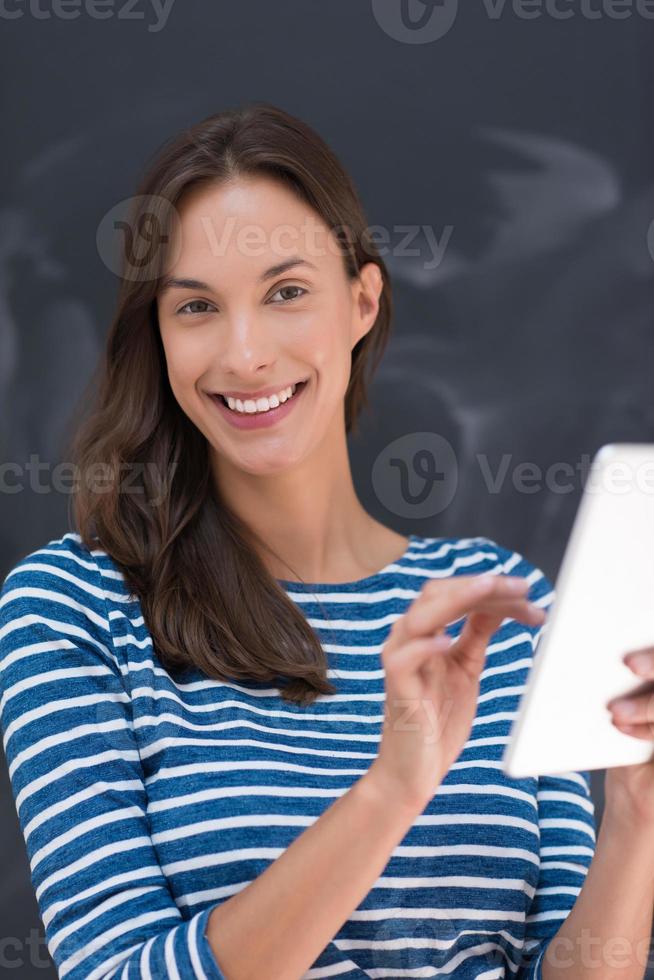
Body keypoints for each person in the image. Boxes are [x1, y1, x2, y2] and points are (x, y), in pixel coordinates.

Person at [0, 101, 647, 980]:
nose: (246, 354)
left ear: (363, 301)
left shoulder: (498, 600)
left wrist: (638, 818)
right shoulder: (74, 608)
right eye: (195, 306)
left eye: (286, 293)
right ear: (158, 334)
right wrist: (392, 788)